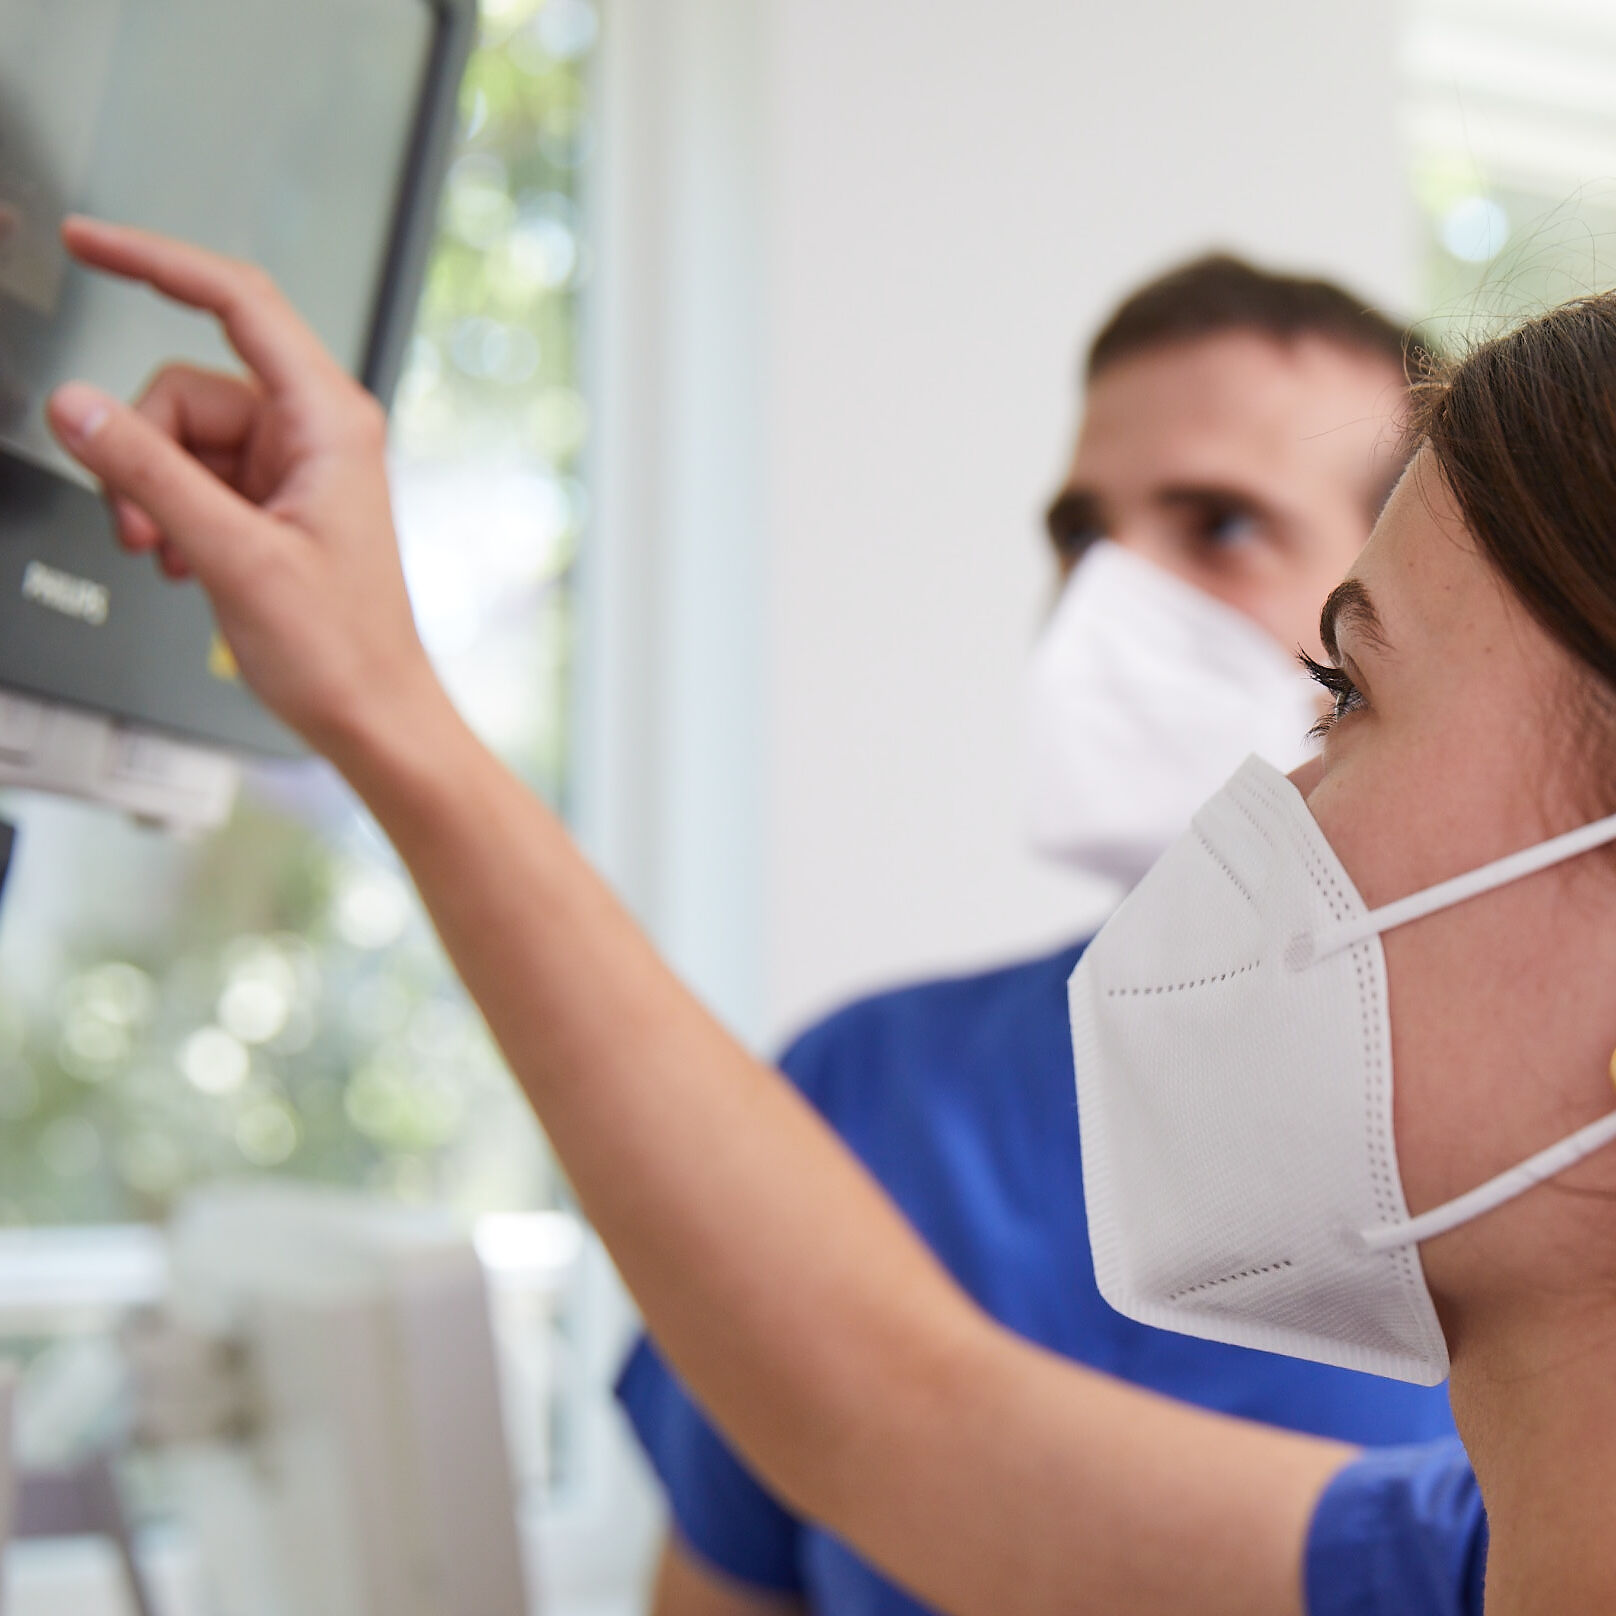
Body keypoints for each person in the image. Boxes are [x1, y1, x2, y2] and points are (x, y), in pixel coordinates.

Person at [69, 217, 1616, 1615]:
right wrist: (377, 700)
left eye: (1344, 692)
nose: (1280, 784)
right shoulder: (1449, 1564)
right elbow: (896, 1420)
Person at [615, 255, 1458, 1616]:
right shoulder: (868, 1092)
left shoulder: (1522, 1141)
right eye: (1081, 537)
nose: (1106, 605)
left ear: (1396, 603)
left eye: (1222, 527)